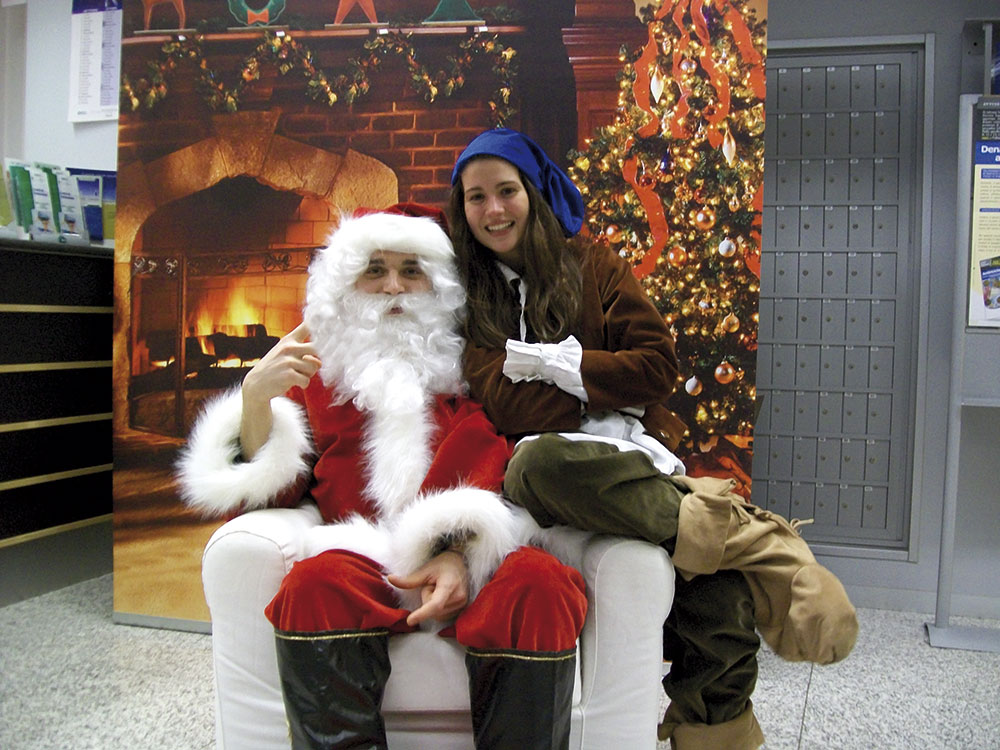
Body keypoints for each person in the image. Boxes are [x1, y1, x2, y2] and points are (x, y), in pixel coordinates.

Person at [447, 127, 860, 750]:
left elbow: (657, 367)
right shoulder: (466, 295)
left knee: (717, 593)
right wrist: (602, 381)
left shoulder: (593, 266)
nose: (493, 210)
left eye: (506, 191)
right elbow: (504, 403)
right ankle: (754, 540)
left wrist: (556, 370)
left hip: (623, 461)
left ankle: (717, 732)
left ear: (533, 192)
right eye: (476, 197)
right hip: (544, 470)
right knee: (537, 462)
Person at [176, 203, 588, 750]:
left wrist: (460, 551)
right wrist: (256, 398)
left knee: (541, 584)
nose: (394, 286)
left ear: (439, 286)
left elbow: (507, 464)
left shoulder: (479, 368)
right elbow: (274, 491)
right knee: (313, 586)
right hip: (362, 553)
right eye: (375, 270)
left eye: (411, 270)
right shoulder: (319, 380)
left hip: (481, 551)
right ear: (346, 285)